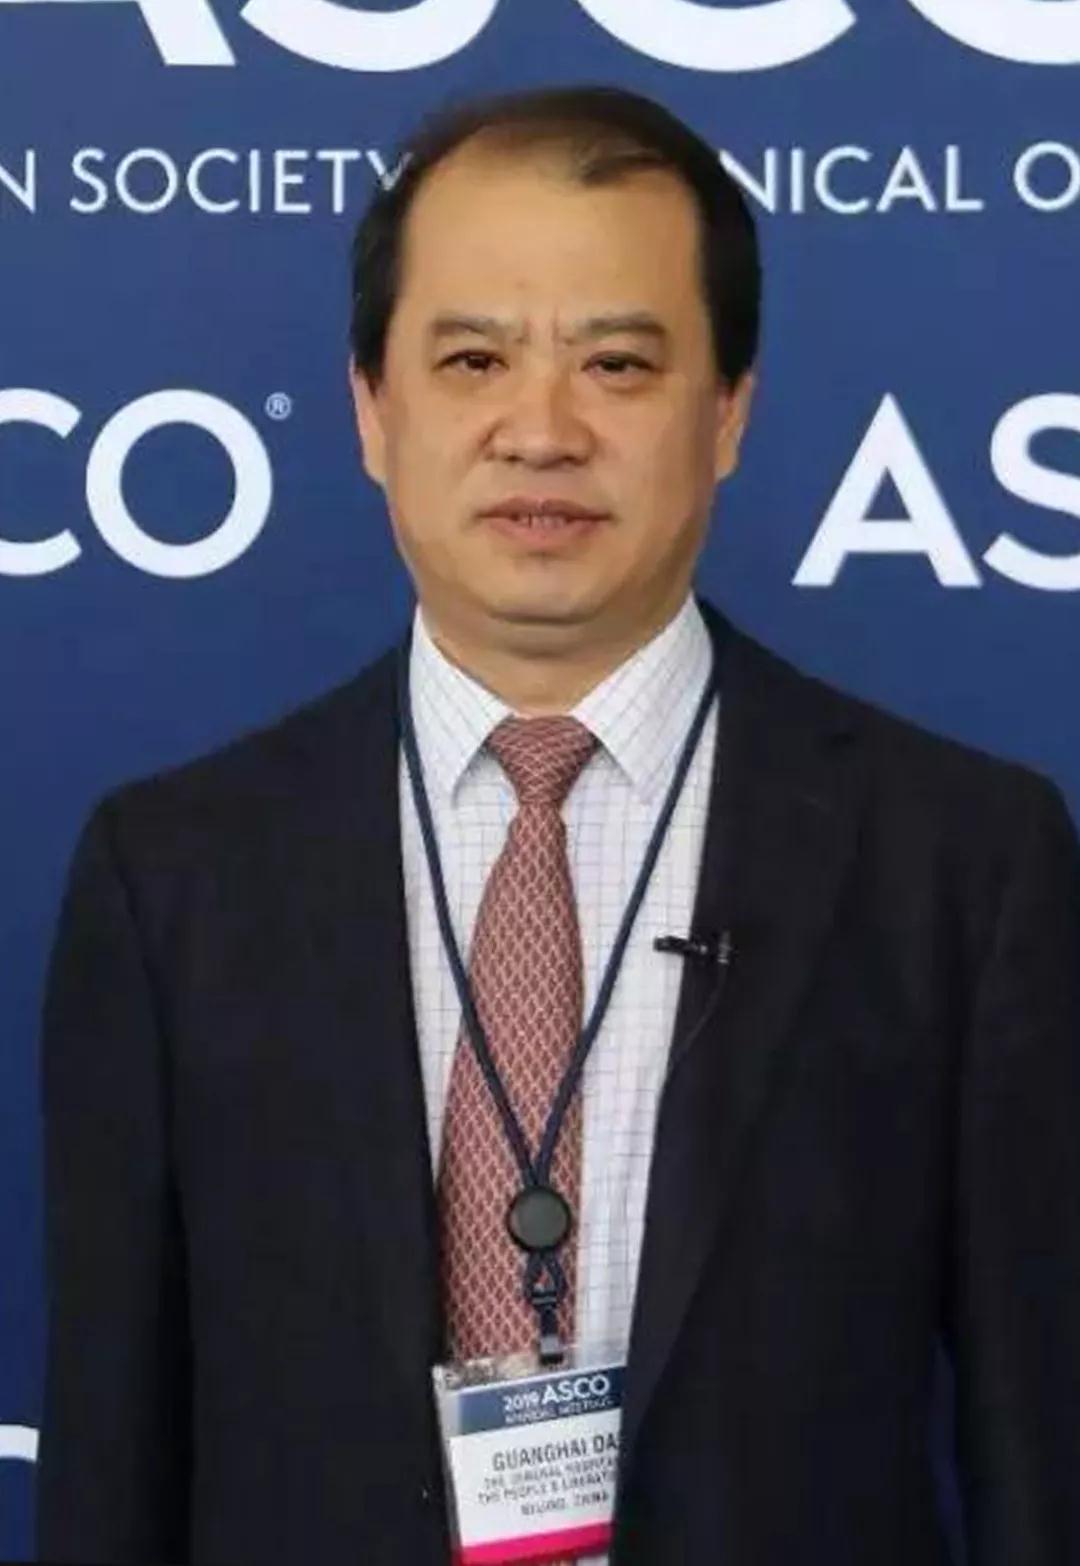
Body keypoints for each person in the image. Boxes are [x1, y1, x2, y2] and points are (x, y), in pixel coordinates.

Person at [36, 85, 1080, 1566]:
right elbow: (110, 1457)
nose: (542, 430)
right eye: (473, 359)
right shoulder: (173, 879)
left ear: (729, 411)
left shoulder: (964, 863)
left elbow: (1041, 1452)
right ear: (372, 409)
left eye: (618, 364)